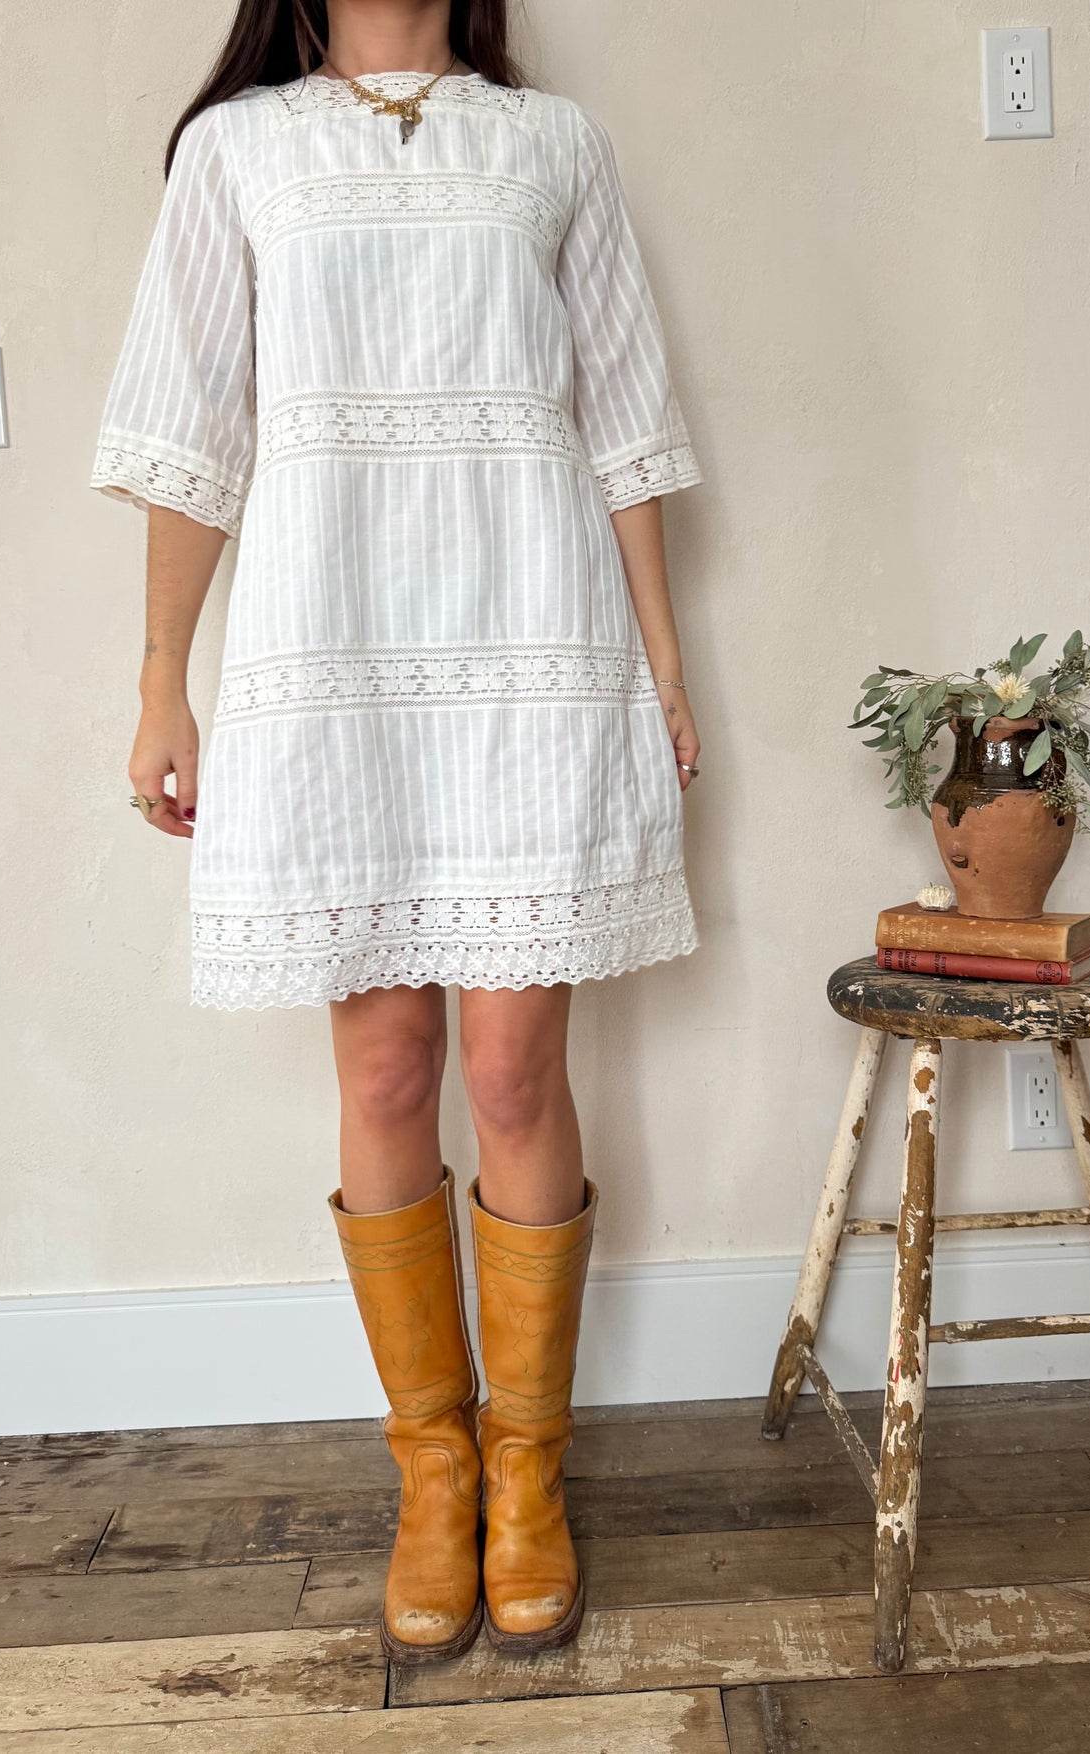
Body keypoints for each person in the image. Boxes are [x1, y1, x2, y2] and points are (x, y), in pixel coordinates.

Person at [92, 0, 702, 1664]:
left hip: (537, 648)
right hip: (331, 655)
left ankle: (528, 1470)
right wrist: (162, 682)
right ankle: (433, 1477)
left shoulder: (550, 143)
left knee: (511, 1070)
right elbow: (190, 436)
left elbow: (625, 415)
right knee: (382, 1068)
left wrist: (660, 664)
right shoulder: (239, 152)